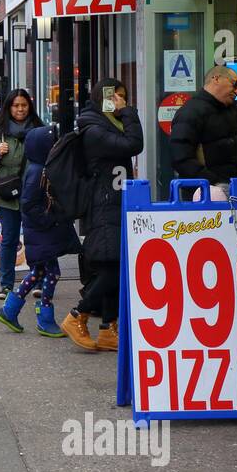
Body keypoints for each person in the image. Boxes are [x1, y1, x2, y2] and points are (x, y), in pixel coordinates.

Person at [60, 78, 143, 351]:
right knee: (112, 270)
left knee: (113, 268)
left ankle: (108, 328)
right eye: (115, 96)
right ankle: (77, 315)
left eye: (123, 96)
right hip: (105, 206)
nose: (120, 101)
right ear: (101, 98)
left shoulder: (108, 125)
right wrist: (129, 112)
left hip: (116, 203)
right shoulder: (95, 130)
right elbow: (134, 144)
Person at [0, 126, 81, 336]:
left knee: (42, 272)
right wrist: (50, 219)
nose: (55, 147)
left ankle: (11, 309)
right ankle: (44, 317)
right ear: (43, 148)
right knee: (50, 273)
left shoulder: (41, 168)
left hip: (43, 232)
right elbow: (29, 204)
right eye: (52, 144)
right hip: (42, 232)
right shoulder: (37, 171)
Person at [0, 89, 41, 302]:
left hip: (34, 193)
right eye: (16, 105)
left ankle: (38, 280)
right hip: (7, 194)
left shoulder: (39, 129)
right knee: (9, 239)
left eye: (24, 105)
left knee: (36, 238)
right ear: (8, 107)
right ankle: (6, 285)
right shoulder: (0, 131)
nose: (20, 109)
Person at [169, 65, 237, 197]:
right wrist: (214, 183)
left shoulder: (234, 111)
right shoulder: (190, 112)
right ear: (216, 79)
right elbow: (181, 158)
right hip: (204, 195)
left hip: (235, 188)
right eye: (234, 84)